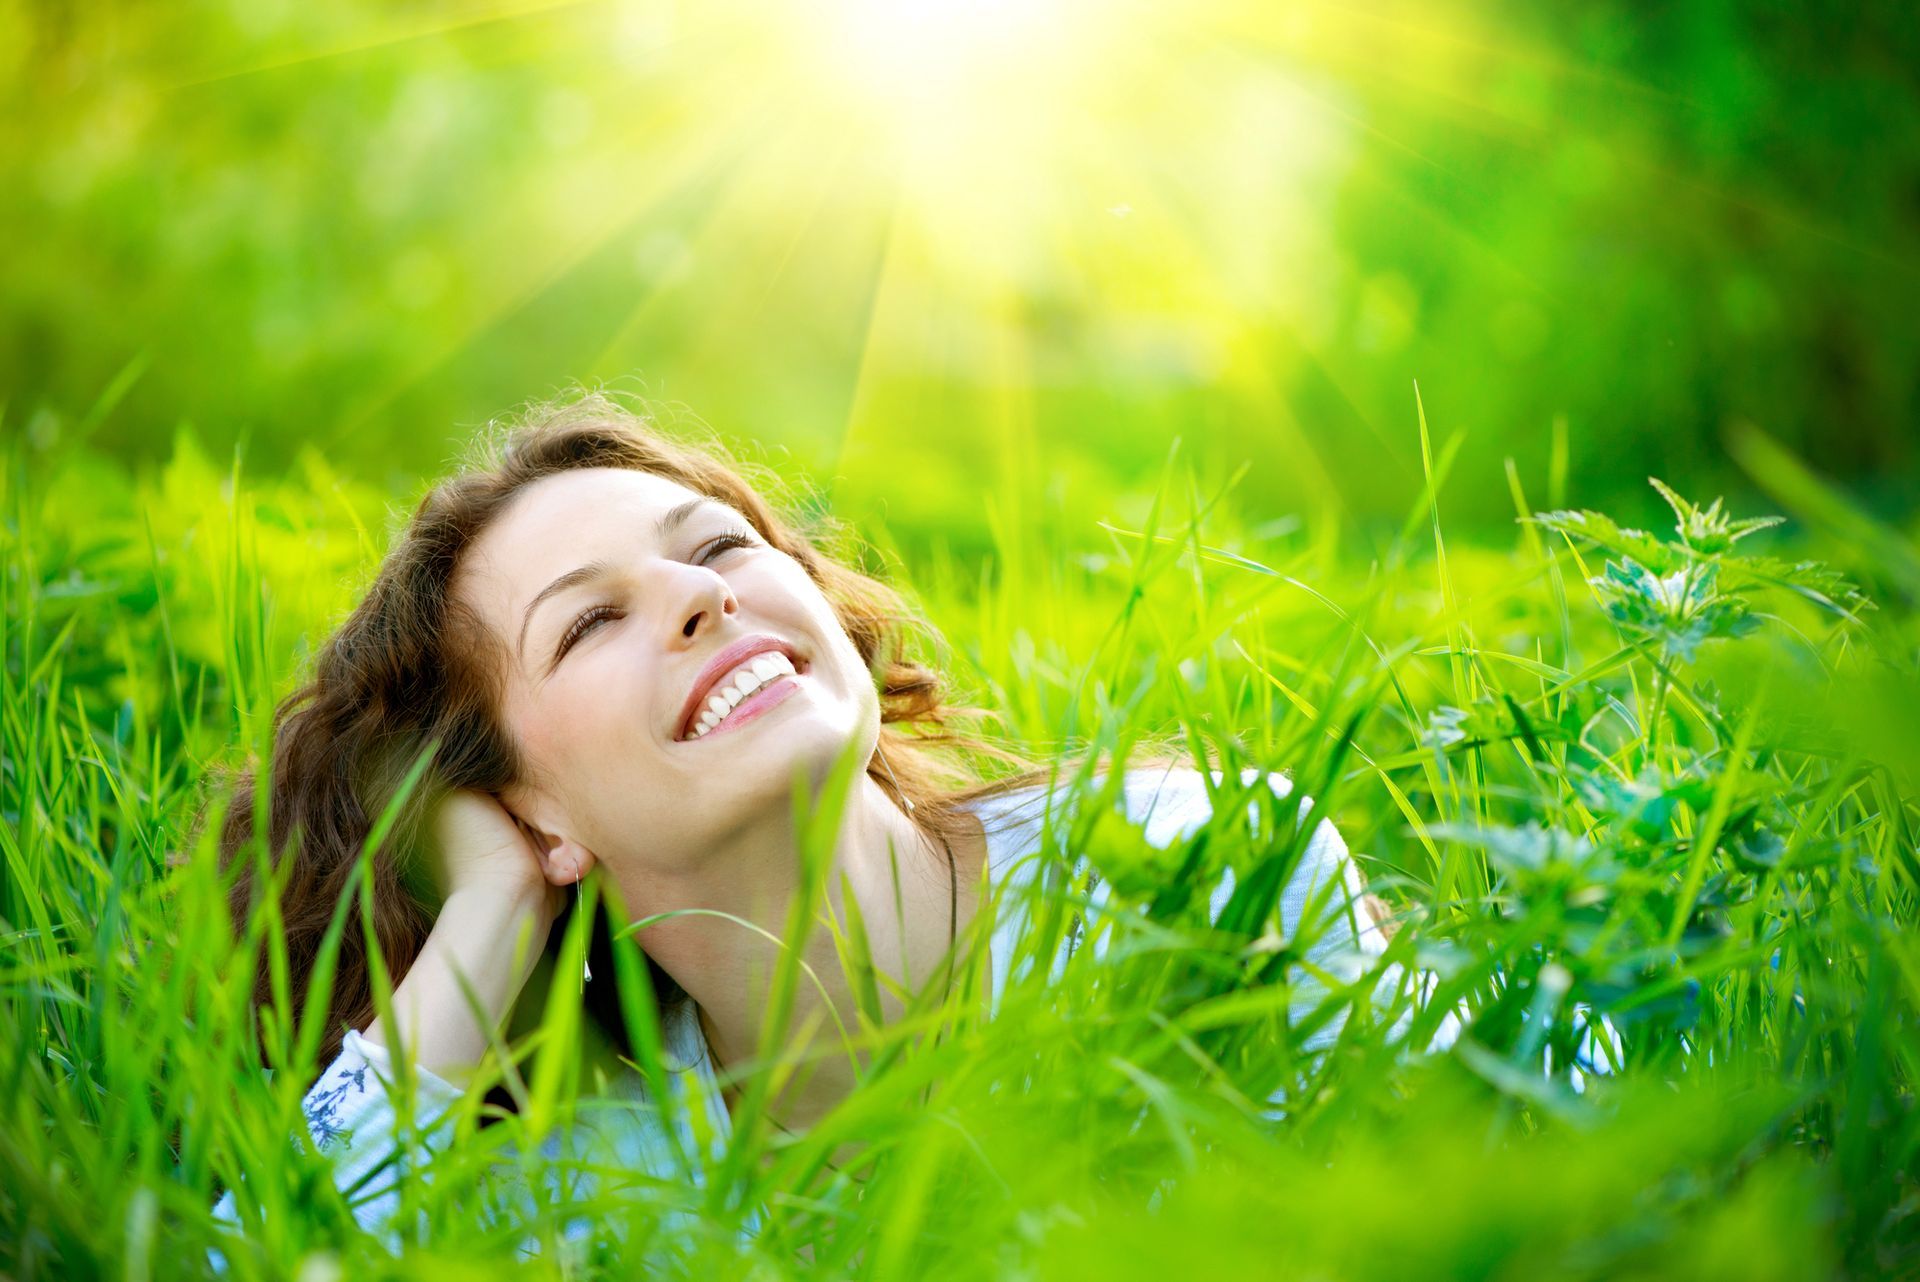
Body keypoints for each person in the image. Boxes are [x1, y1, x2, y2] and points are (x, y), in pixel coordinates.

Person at [209, 393, 1418, 1255]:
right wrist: (484, 921)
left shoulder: (1186, 869)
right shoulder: (592, 1168)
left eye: (718, 546)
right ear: (525, 812)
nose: (699, 595)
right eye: (588, 624)